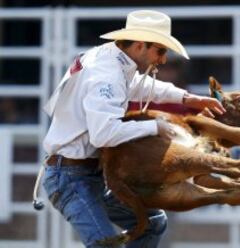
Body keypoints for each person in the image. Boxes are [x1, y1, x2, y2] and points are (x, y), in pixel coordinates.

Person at [41, 10, 225, 248]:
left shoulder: (108, 59)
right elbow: (104, 134)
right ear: (140, 46)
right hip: (72, 177)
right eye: (160, 51)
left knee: (152, 223)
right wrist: (155, 127)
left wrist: (187, 98)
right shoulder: (107, 74)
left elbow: (136, 85)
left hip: (84, 173)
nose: (163, 59)